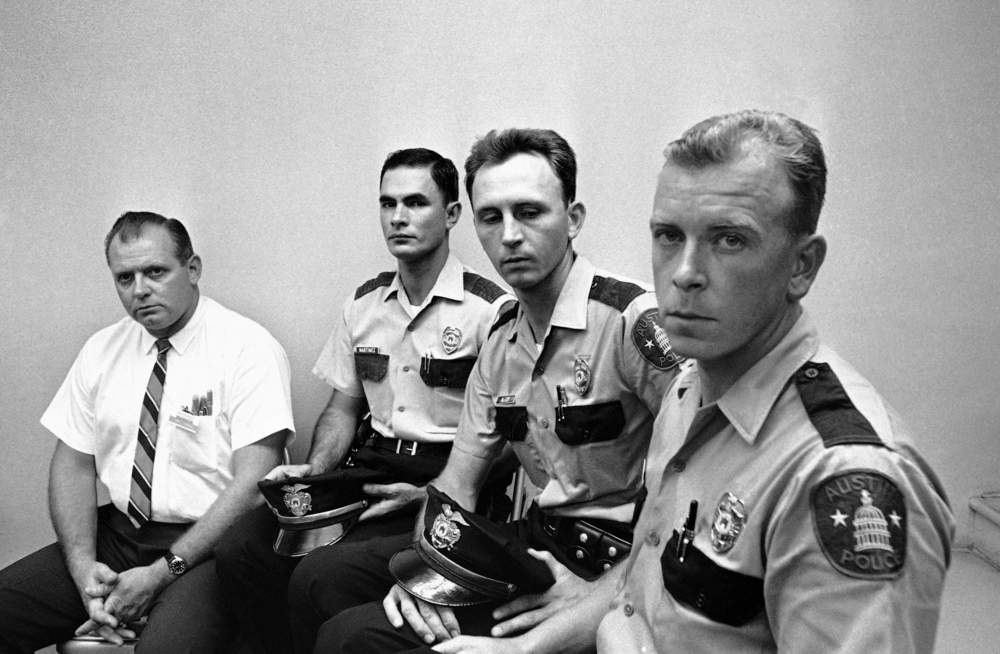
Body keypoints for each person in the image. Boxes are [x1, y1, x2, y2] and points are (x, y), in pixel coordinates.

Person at [433, 110, 956, 654]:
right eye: (667, 236)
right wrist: (523, 651)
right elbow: (639, 586)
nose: (684, 272)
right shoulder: (688, 394)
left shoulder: (843, 474)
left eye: (729, 240)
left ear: (802, 266)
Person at [315, 128, 683, 653]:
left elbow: (693, 502)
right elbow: (457, 485)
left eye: (529, 212)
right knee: (324, 583)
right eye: (492, 217)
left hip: (622, 564)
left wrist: (607, 591)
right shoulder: (501, 339)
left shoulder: (632, 324)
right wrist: (428, 575)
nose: (509, 235)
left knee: (352, 639)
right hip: (538, 547)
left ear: (573, 219)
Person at [214, 148, 515, 654]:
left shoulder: (492, 310)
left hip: (446, 479)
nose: (398, 217)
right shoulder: (364, 304)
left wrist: (440, 491)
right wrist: (315, 469)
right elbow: (342, 409)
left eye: (416, 203)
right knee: (242, 548)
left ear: (452, 215)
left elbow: (513, 440)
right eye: (388, 203)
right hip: (367, 468)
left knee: (317, 572)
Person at [0, 211, 295, 654]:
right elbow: (74, 465)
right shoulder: (102, 350)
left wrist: (160, 574)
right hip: (119, 537)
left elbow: (254, 485)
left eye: (155, 271)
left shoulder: (248, 349)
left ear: (192, 269)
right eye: (125, 278)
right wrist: (83, 570)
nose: (140, 290)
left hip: (208, 547)